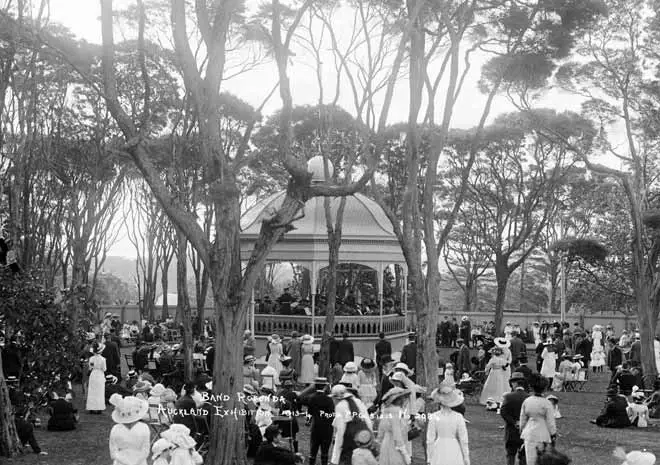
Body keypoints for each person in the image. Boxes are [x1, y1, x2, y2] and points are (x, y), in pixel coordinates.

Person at [330, 384, 373, 465]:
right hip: (363, 437)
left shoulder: (340, 406)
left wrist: (335, 457)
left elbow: (340, 432)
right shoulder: (358, 402)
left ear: (336, 398)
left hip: (349, 442)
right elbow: (368, 422)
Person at [427, 385, 470, 465]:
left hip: (439, 448)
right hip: (453, 447)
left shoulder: (434, 416)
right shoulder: (458, 417)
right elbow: (464, 439)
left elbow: (430, 440)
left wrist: (429, 457)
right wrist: (466, 457)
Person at [519, 373, 557, 465]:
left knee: (530, 459)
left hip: (529, 432)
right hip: (542, 432)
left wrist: (522, 429)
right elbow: (550, 421)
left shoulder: (527, 401)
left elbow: (523, 418)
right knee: (541, 460)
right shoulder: (547, 403)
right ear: (544, 388)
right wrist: (553, 433)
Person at [299, 377, 334, 465]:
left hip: (315, 427)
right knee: (325, 452)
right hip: (327, 428)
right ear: (325, 387)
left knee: (313, 451)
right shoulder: (329, 400)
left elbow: (300, 398)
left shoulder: (311, 398)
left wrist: (310, 389)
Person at [109, 394, 150, 465]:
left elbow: (113, 452)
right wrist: (136, 461)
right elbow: (146, 451)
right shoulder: (144, 427)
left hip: (120, 462)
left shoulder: (115, 429)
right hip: (140, 462)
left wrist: (124, 461)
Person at [500, 373, 529, 465]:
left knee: (510, 454)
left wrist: (513, 422)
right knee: (524, 455)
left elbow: (503, 412)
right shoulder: (529, 397)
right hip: (525, 430)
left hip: (511, 429)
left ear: (513, 383)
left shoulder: (508, 397)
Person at [378, 387, 412, 465]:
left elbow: (381, 430)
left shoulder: (386, 411)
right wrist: (404, 452)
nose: (404, 400)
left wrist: (379, 442)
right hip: (395, 445)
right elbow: (397, 432)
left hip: (385, 443)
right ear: (398, 400)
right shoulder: (396, 411)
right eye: (402, 398)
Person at [87, 341, 107, 413]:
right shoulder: (103, 359)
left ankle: (91, 408)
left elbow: (90, 368)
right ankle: (99, 408)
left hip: (93, 374)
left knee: (92, 391)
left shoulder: (91, 358)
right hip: (100, 374)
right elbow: (104, 369)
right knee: (100, 392)